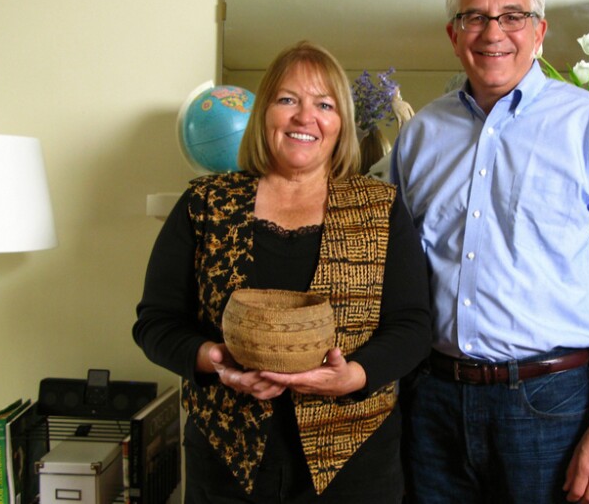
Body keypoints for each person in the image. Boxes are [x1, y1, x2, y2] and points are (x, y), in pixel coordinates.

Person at [390, 0, 589, 503]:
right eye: (475, 17)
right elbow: (395, 271)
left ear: (539, 30)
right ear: (453, 34)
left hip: (548, 404)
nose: (494, 33)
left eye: (513, 16)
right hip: (433, 402)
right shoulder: (420, 135)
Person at [133, 40, 431, 504]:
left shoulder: (380, 207)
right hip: (226, 460)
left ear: (341, 123)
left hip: (354, 464)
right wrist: (215, 361)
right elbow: (155, 323)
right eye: (287, 99)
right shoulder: (206, 203)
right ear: (263, 113)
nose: (304, 117)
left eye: (324, 104)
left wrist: (355, 375)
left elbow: (412, 325)